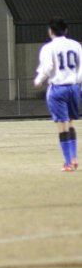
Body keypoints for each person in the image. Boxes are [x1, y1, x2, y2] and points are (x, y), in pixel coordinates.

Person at [33, 17, 82, 171]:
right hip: (74, 87)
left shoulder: (48, 48)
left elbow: (47, 67)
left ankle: (68, 163)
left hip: (58, 88)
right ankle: (74, 158)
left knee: (62, 126)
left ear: (50, 31)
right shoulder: (76, 45)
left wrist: (38, 80)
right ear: (65, 30)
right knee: (71, 123)